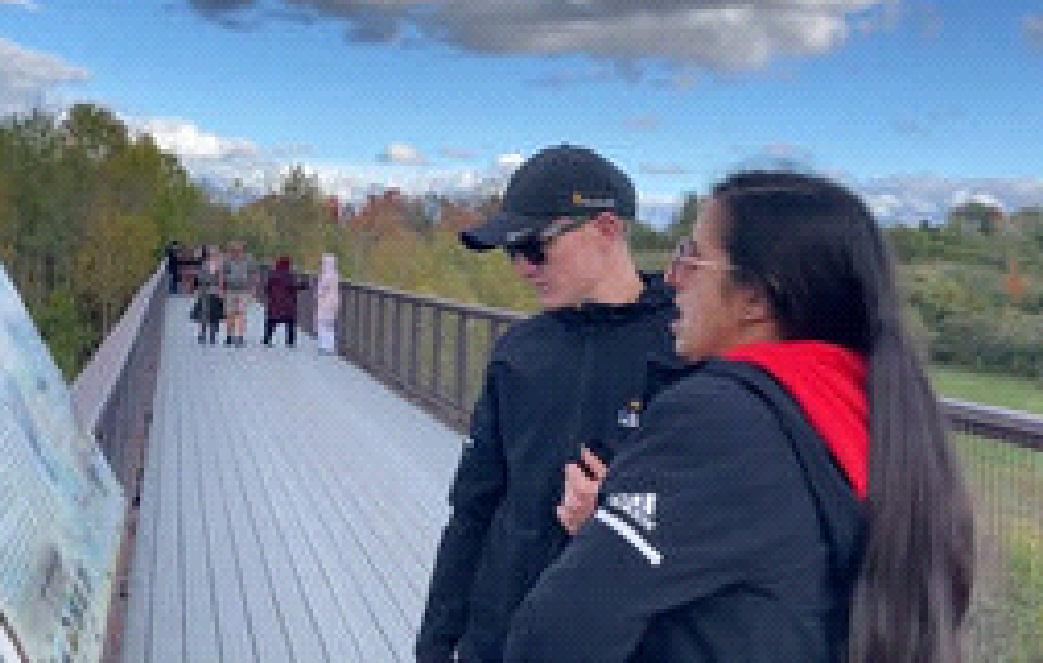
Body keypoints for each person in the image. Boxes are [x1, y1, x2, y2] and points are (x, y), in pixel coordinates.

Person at [506, 171, 974, 662]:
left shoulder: (720, 417)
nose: (671, 278)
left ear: (754, 298)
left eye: (691, 256)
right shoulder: (864, 413)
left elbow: (557, 631)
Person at [416, 144, 678, 663]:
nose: (521, 268)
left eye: (535, 247)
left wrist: (618, 515)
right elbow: (472, 507)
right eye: (512, 252)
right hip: (501, 637)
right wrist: (437, 642)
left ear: (607, 227)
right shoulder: (519, 351)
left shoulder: (682, 350)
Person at [262, 256, 307, 347]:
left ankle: (267, 339)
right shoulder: (290, 275)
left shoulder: (272, 274)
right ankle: (290, 342)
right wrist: (304, 285)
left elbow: (266, 288)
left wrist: (270, 298)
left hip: (274, 304)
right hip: (288, 305)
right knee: (290, 323)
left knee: (271, 322)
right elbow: (295, 286)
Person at [222, 240, 255, 346]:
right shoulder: (227, 260)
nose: (237, 252)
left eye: (239, 249)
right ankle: (229, 337)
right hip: (230, 290)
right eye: (235, 250)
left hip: (243, 290)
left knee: (241, 314)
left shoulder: (248, 260)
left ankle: (240, 337)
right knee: (230, 315)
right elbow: (222, 274)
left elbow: (253, 274)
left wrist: (252, 287)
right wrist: (221, 289)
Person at [193, 245, 224, 345]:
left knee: (214, 314)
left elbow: (221, 279)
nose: (213, 256)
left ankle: (213, 335)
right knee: (204, 312)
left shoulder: (220, 265)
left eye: (215, 254)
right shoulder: (203, 265)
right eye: (211, 254)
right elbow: (199, 277)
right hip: (205, 291)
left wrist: (220, 290)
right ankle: (202, 333)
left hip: (215, 292)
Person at [315, 253, 340, 355]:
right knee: (330, 324)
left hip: (325, 301)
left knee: (322, 323)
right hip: (334, 301)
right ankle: (330, 346)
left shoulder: (326, 275)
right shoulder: (335, 274)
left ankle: (324, 346)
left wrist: (317, 295)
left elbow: (322, 289)